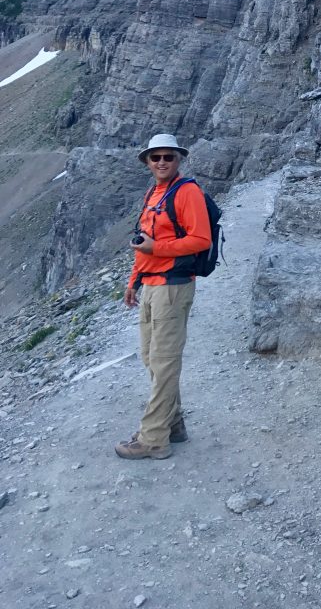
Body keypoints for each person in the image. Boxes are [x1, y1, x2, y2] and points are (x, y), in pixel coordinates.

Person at [115, 132, 211, 460]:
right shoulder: (155, 193)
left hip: (173, 285)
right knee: (151, 358)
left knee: (164, 361)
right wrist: (134, 281)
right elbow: (142, 242)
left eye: (168, 156)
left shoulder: (187, 192)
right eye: (155, 157)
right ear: (147, 161)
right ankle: (174, 424)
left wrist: (158, 248)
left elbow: (201, 239)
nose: (161, 162)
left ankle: (154, 439)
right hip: (152, 285)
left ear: (178, 159)